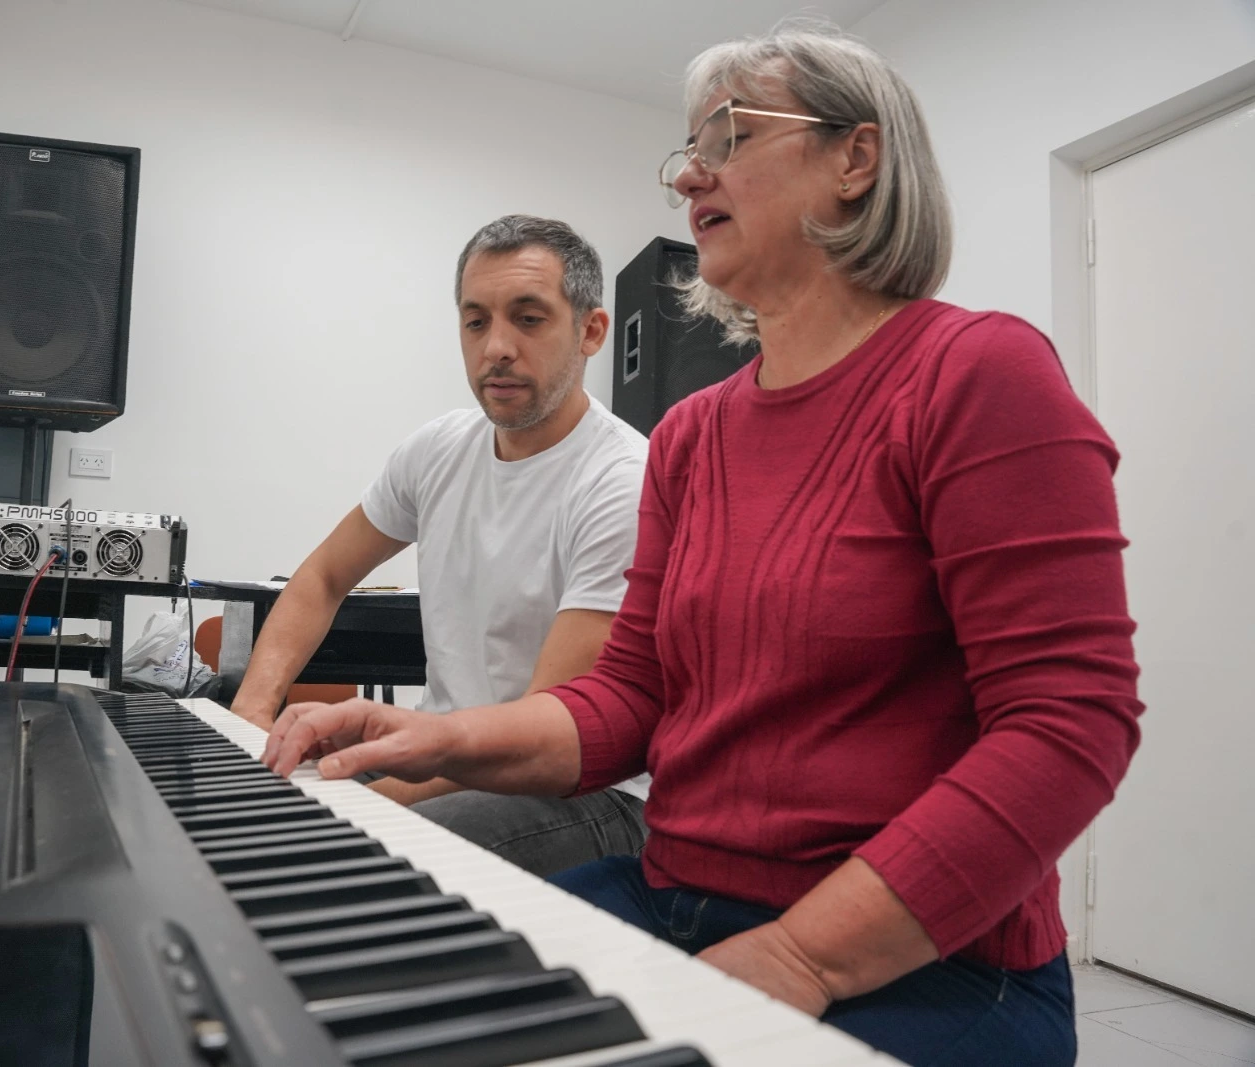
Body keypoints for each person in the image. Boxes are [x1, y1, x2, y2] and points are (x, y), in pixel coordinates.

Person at [261, 24, 1143, 1067]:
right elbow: (628, 698)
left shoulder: (976, 373)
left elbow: (1068, 720)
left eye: (727, 134)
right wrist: (436, 737)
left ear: (854, 158)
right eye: (687, 146)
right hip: (674, 895)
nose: (688, 171)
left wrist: (806, 956)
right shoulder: (691, 433)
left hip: (929, 960)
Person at [230, 214, 652, 877]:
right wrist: (252, 715)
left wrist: (343, 798)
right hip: (446, 761)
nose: (496, 348)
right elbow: (321, 578)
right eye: (476, 320)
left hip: (582, 791)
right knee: (259, 826)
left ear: (591, 331)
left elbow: (541, 738)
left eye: (529, 318)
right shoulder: (437, 450)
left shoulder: (622, 482)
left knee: (332, 861)